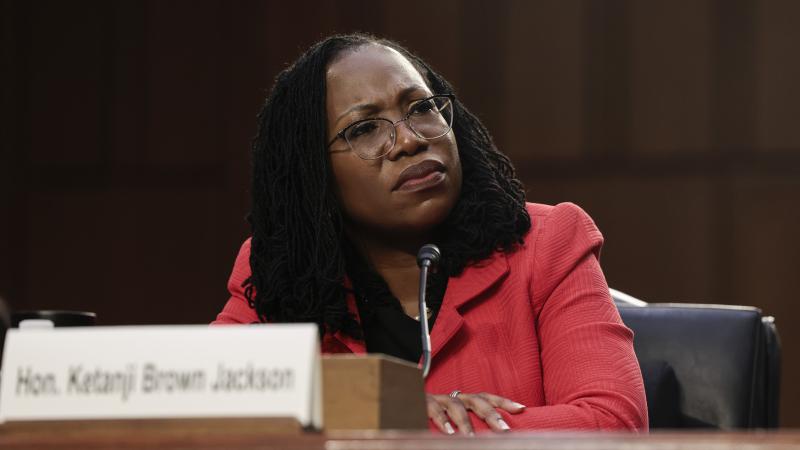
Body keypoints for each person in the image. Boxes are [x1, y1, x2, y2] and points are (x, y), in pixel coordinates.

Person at [213, 33, 647, 433]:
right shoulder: (283, 272)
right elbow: (198, 409)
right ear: (314, 173)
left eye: (422, 108)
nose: (409, 141)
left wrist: (412, 428)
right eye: (365, 128)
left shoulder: (547, 243)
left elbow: (613, 423)